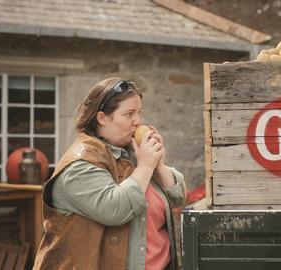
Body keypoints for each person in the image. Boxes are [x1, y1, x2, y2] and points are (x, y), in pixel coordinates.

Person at [34, 78, 186, 270]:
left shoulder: (130, 153)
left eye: (139, 112)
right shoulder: (78, 166)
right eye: (129, 114)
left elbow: (179, 195)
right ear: (102, 118)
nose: (137, 121)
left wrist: (158, 164)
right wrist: (146, 166)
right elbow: (115, 209)